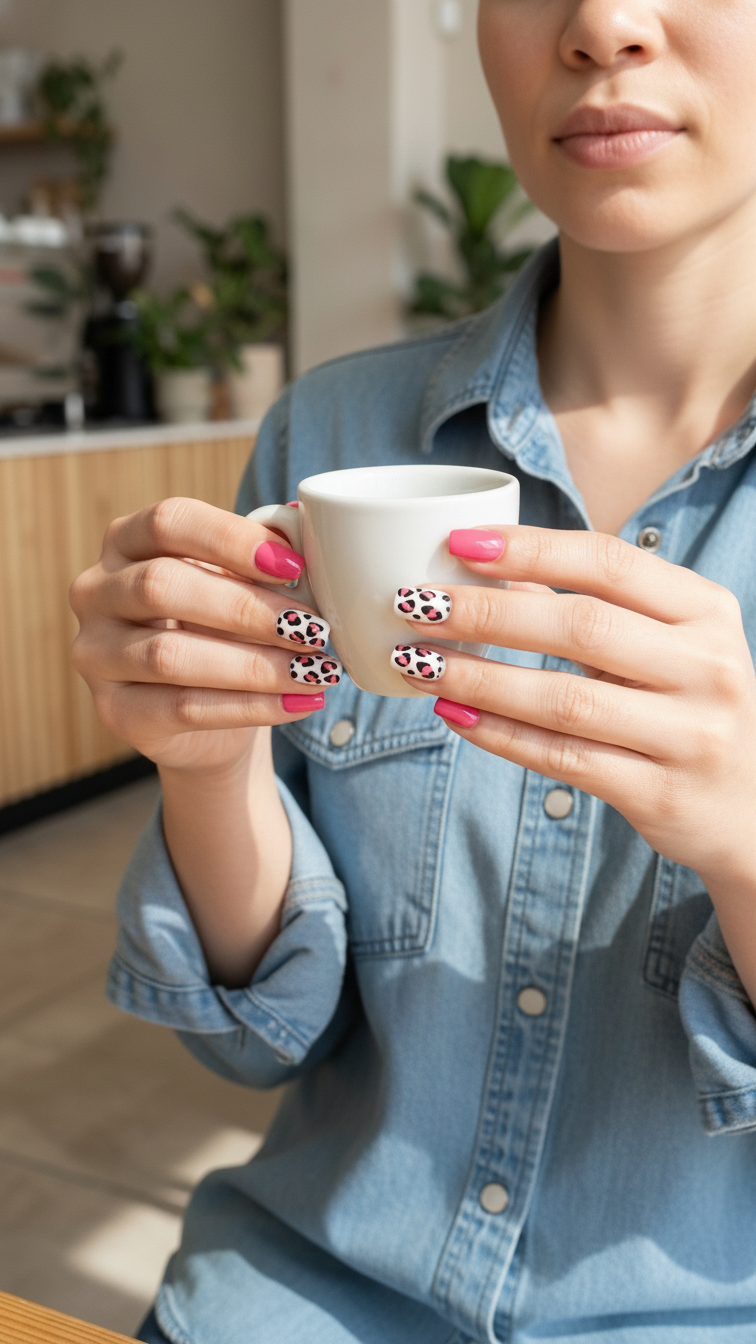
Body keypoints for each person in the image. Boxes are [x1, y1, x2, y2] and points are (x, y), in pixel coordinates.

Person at [71, 2, 756, 1341]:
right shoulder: (333, 434)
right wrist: (208, 763)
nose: (605, 23)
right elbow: (253, 1041)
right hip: (290, 1300)